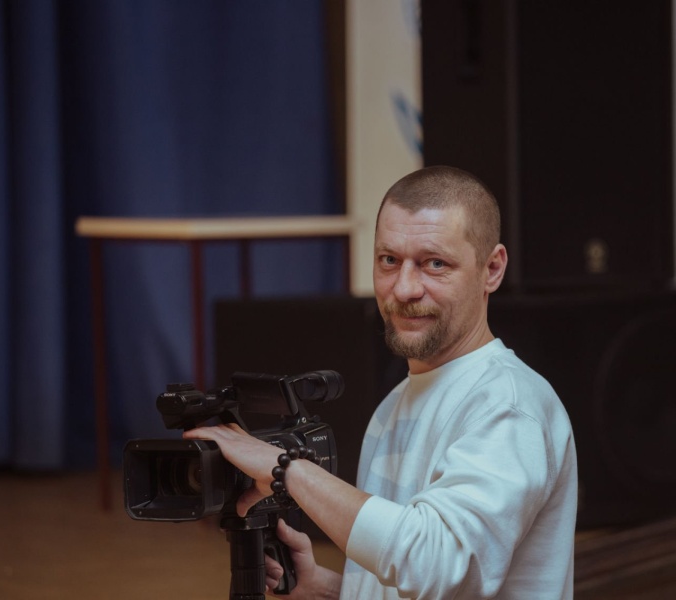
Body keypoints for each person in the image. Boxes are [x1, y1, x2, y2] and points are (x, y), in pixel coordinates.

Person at [184, 165, 577, 599]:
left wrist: (285, 468)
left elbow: (437, 564)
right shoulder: (395, 402)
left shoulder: (508, 406)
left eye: (434, 264)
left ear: (492, 269)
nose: (404, 289)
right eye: (389, 260)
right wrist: (332, 589)